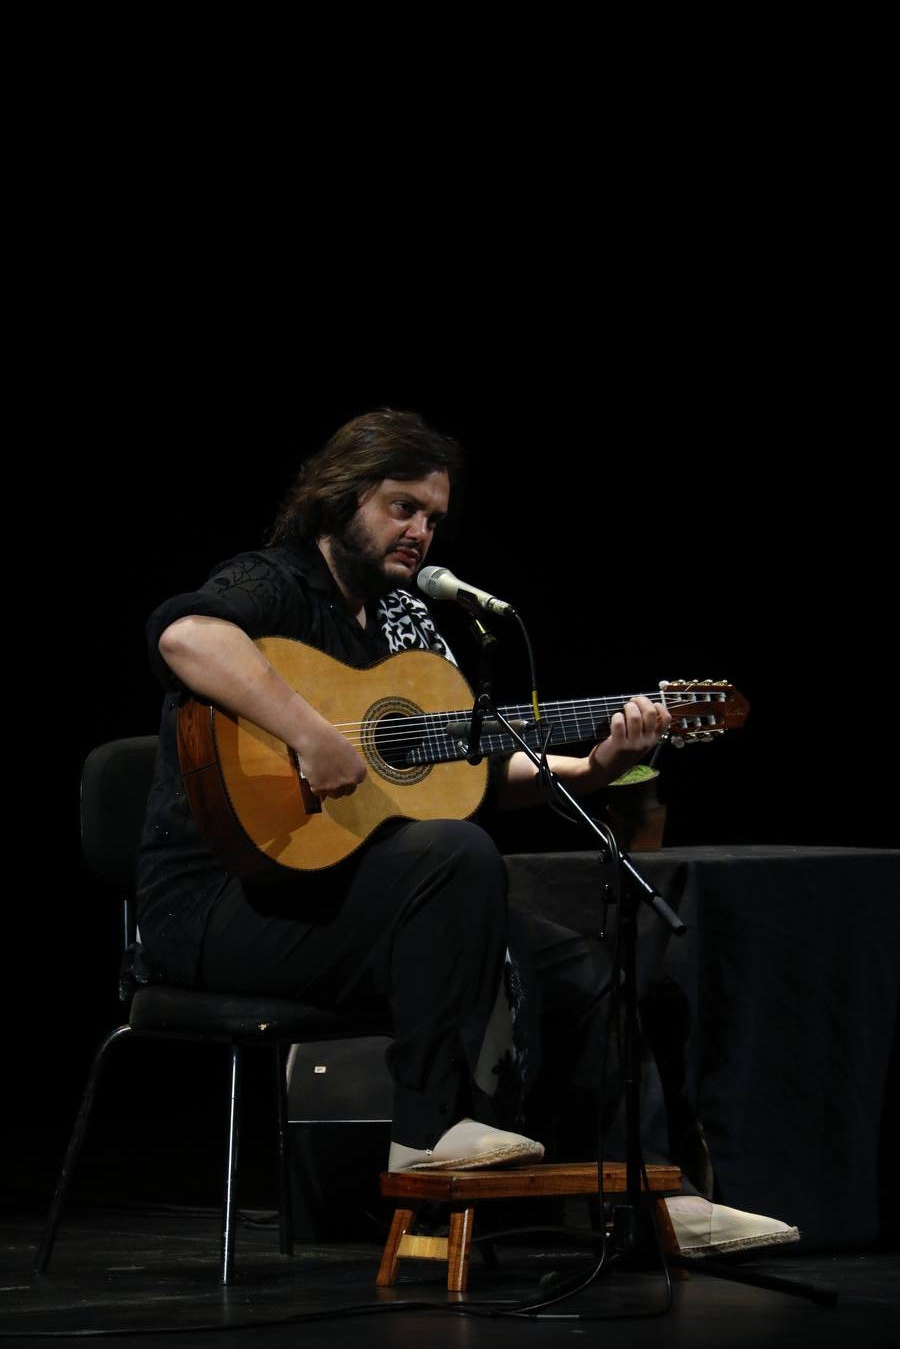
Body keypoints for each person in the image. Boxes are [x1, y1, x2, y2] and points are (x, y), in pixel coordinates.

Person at [135, 408, 799, 1257]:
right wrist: (308, 732)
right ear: (339, 500)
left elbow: (469, 766)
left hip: (341, 901)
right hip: (220, 906)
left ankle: (653, 1200)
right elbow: (186, 635)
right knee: (452, 854)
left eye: (434, 517)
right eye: (401, 508)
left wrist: (596, 769)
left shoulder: (409, 624)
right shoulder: (276, 584)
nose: (420, 532)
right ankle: (425, 1134)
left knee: (581, 966)